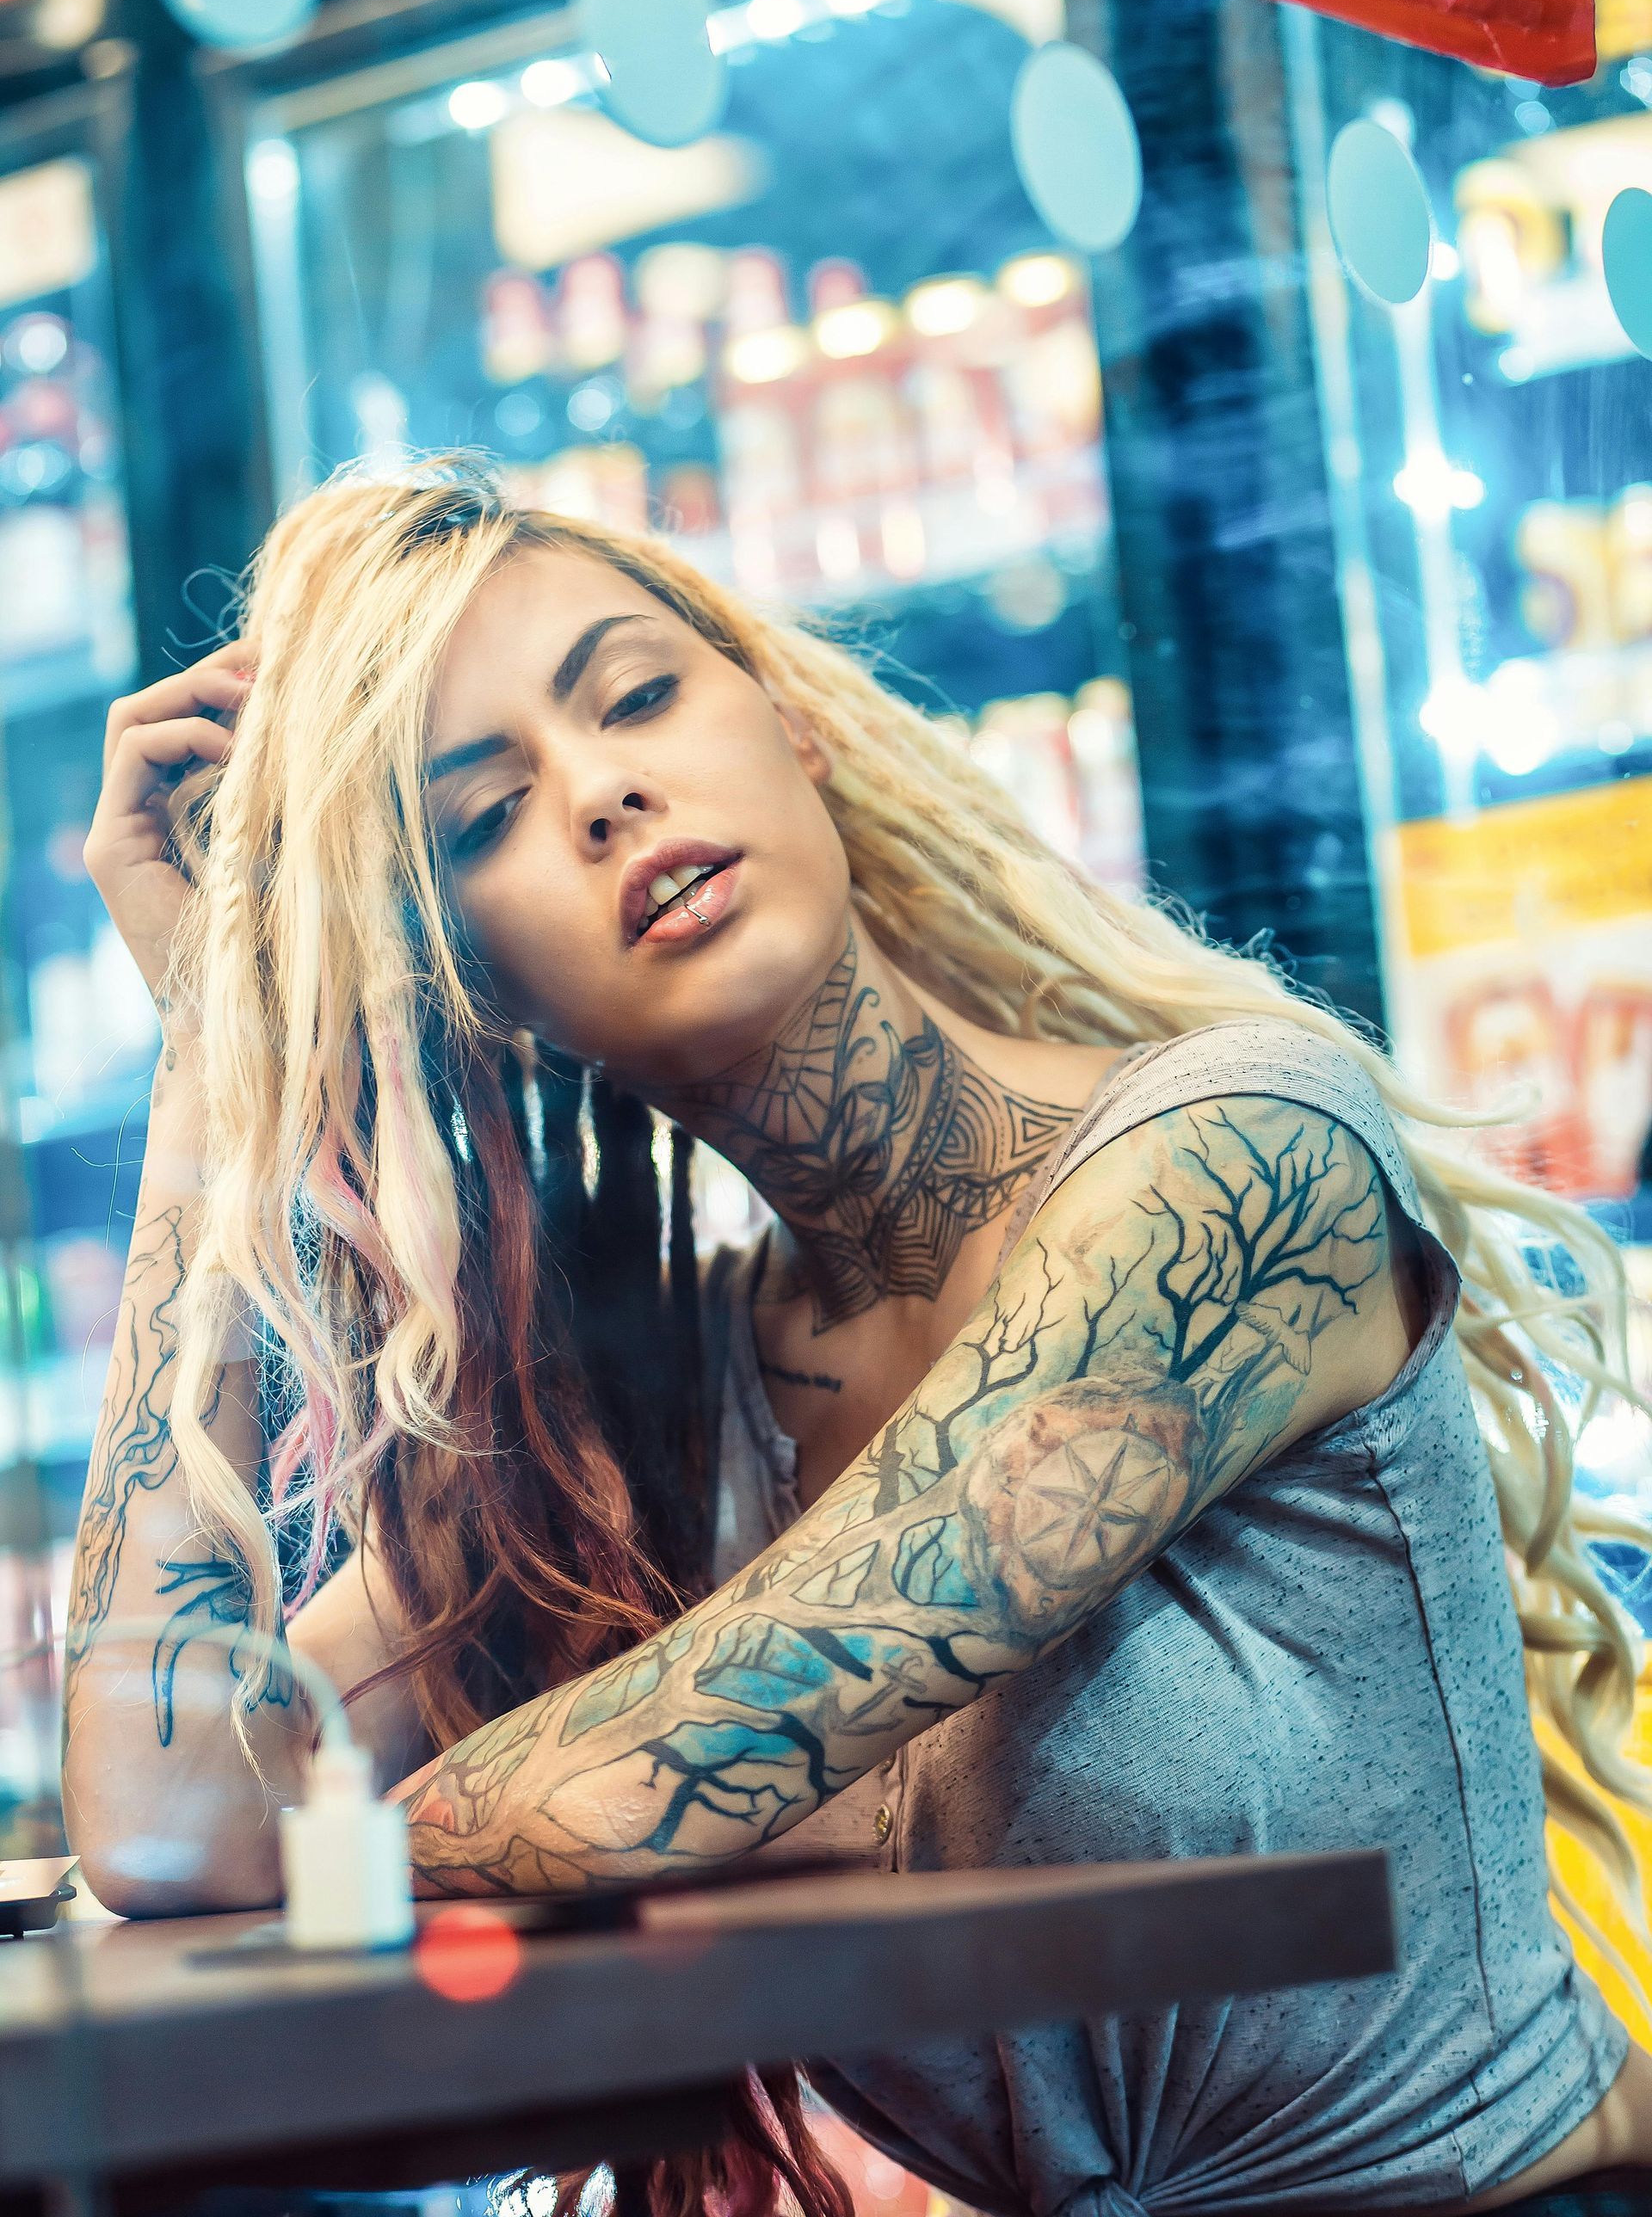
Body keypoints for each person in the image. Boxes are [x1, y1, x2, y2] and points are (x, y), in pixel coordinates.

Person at [60, 459, 1652, 2217]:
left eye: (638, 696)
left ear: (795, 732)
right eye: (485, 816)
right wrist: (217, 1045)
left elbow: (637, 1785)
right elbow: (171, 1819)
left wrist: (381, 1834)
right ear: (466, 984)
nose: (604, 794)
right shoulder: (657, 1416)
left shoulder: (1238, 1164)